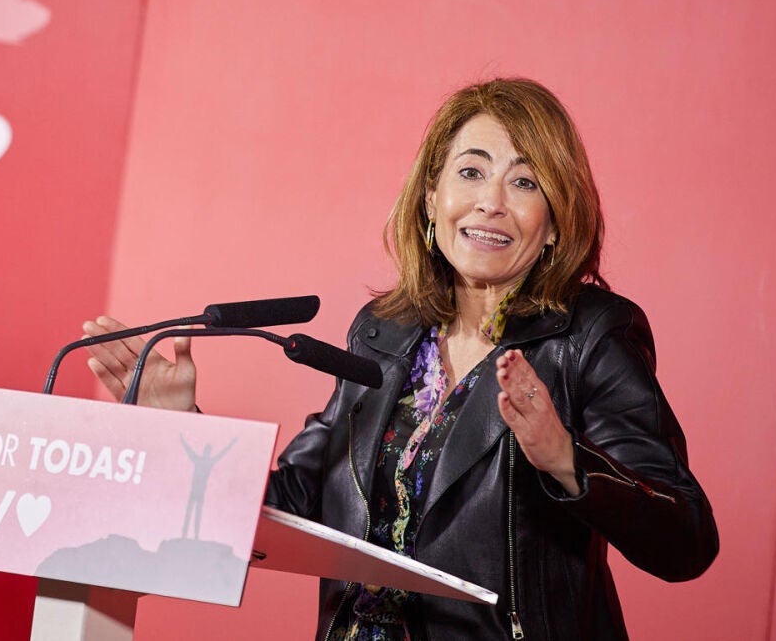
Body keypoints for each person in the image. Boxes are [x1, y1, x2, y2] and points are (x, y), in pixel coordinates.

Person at [81, 78, 718, 640]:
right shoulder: (383, 331)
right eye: (471, 172)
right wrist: (181, 426)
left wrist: (566, 462)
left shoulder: (590, 337)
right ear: (431, 197)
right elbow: (294, 505)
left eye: (524, 182)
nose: (491, 201)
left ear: (554, 222)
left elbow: (686, 539)